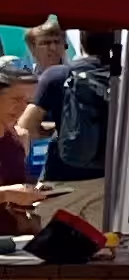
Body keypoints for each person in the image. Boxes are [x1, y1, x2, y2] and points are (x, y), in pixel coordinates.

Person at [20, 27, 118, 187]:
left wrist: (50, 133)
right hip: (111, 180)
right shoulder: (127, 77)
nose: (52, 47)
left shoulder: (57, 75)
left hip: (63, 179)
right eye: (45, 43)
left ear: (82, 42)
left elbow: (25, 127)